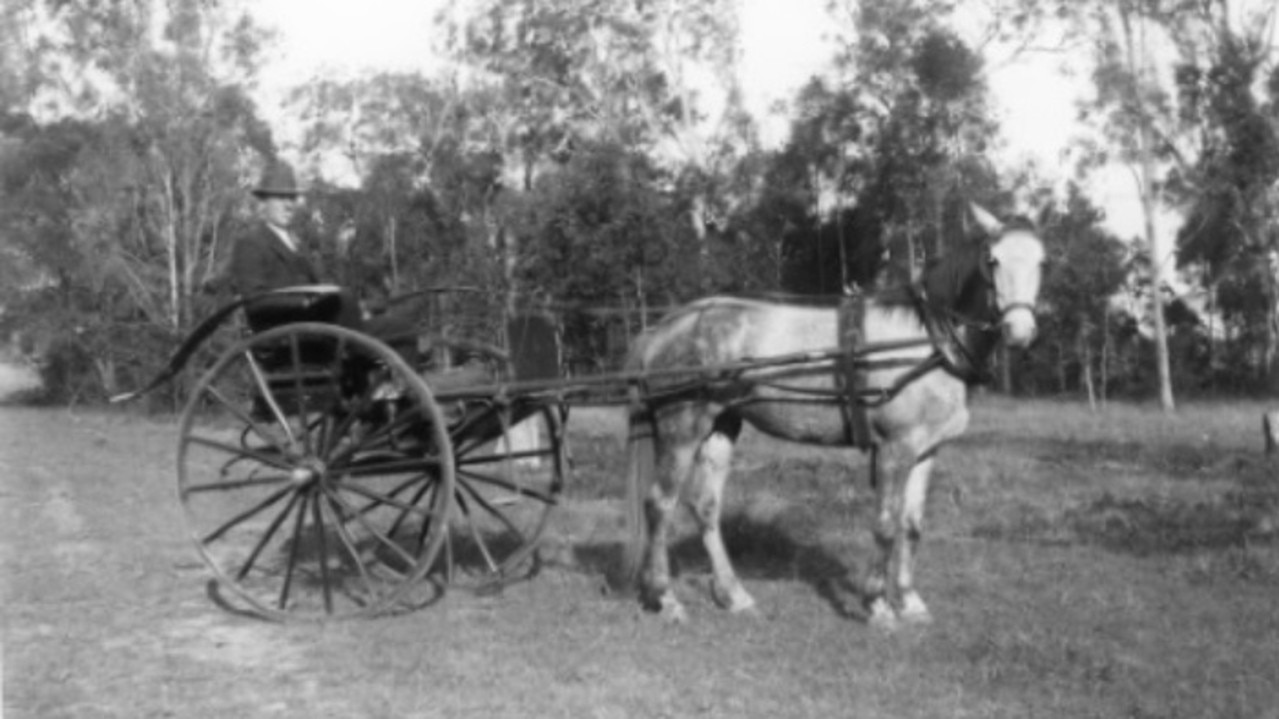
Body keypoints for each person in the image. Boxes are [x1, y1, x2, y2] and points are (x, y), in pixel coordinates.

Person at [227, 160, 425, 360]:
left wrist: (355, 309)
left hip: (322, 331)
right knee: (402, 330)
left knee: (399, 326)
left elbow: (317, 287)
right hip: (291, 339)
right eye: (280, 197)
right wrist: (308, 302)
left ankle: (393, 387)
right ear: (263, 203)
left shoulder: (295, 244)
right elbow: (255, 302)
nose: (288, 205)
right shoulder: (250, 243)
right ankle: (400, 388)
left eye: (292, 198)